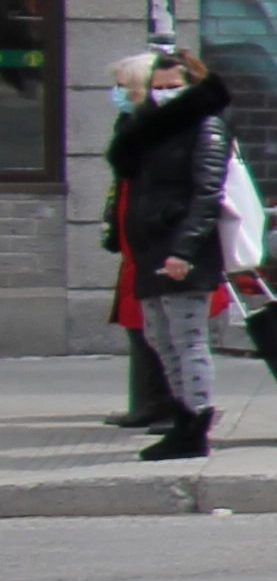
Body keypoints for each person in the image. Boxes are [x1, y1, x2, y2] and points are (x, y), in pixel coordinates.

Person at [109, 44, 234, 465]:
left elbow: (207, 193)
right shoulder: (152, 129)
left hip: (183, 250)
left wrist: (184, 249)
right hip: (151, 248)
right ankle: (182, 418)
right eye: (158, 87)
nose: (164, 94)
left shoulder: (206, 126)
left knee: (187, 340)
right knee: (160, 339)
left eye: (173, 86)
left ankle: (195, 423)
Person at [96, 52, 169, 428]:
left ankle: (162, 406)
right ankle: (145, 404)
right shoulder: (131, 123)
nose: (118, 93)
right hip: (135, 241)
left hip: (153, 244)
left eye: (123, 86)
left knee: (156, 327)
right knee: (138, 325)